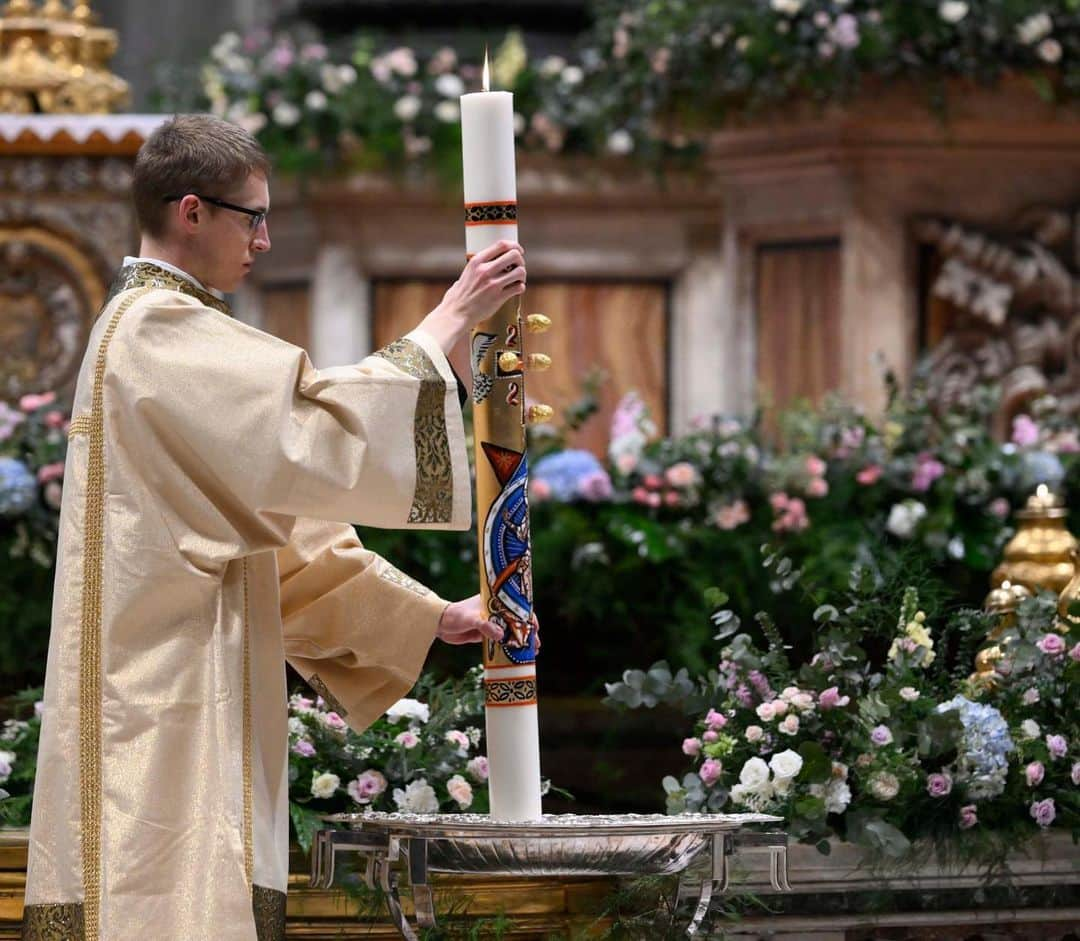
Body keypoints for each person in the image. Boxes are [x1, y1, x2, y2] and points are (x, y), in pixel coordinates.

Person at [22, 113, 528, 941]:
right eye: (252, 216)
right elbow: (315, 434)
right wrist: (449, 321)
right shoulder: (156, 330)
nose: (264, 239)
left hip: (186, 685)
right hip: (158, 710)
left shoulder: (160, 329)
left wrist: (429, 616)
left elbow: (276, 536)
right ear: (192, 212)